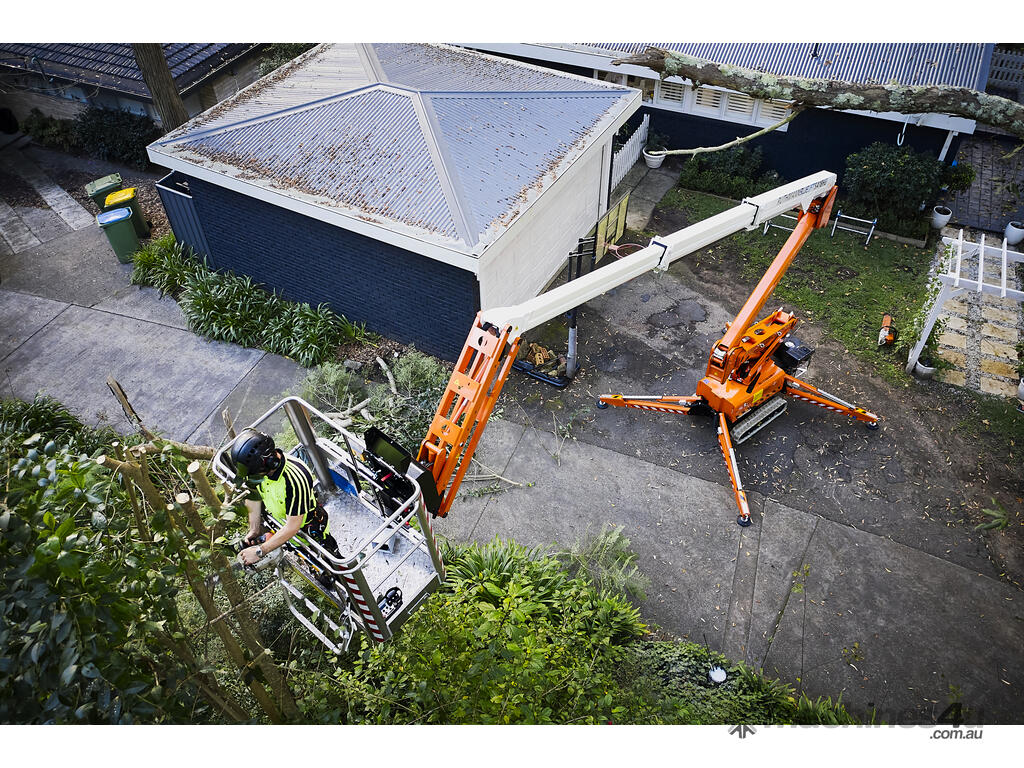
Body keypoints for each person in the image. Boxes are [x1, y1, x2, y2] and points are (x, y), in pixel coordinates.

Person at [229, 429, 339, 570]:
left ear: (269, 463)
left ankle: (342, 579)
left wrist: (259, 551)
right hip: (286, 529)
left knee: (330, 560)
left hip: (309, 528)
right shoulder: (259, 471)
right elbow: (253, 496)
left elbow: (293, 526)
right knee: (311, 561)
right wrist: (254, 528)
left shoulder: (294, 478)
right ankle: (317, 569)